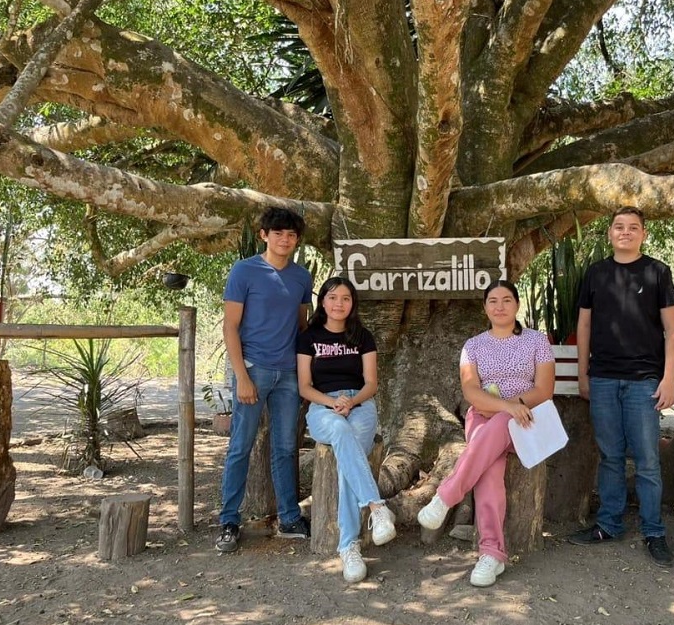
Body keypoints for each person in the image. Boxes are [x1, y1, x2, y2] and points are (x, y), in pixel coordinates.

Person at [417, 280, 555, 587]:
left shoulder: (537, 341)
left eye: (507, 300)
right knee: (490, 469)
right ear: (485, 307)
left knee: (500, 425)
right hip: (484, 417)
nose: (500, 306)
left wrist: (512, 408)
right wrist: (505, 406)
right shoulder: (473, 346)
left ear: (517, 305)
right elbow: (470, 392)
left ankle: (446, 496)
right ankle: (491, 555)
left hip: (527, 419)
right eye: (493, 301)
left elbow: (544, 390)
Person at [569, 205, 674, 568]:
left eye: (633, 228)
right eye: (619, 227)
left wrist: (668, 379)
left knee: (648, 461)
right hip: (602, 379)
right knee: (610, 457)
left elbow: (673, 330)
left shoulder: (658, 272)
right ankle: (608, 524)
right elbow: (583, 326)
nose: (626, 232)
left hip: (644, 382)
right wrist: (583, 374)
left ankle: (654, 531)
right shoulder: (596, 273)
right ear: (610, 234)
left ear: (643, 234)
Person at [215, 206, 313, 553]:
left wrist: (307, 374)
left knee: (286, 448)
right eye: (279, 233)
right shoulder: (244, 271)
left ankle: (289, 518)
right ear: (264, 235)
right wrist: (241, 376)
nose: (285, 240)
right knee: (241, 446)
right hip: (253, 369)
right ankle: (229, 520)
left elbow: (301, 326)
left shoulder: (302, 278)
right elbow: (230, 326)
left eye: (291, 235)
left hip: (288, 373)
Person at [297, 276, 397, 583]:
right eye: (333, 297)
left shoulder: (362, 336)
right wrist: (332, 402)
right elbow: (304, 387)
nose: (339, 303)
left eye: (346, 298)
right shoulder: (308, 337)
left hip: (361, 405)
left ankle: (349, 546)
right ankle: (377, 507)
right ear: (323, 301)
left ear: (352, 304)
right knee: (340, 432)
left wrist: (351, 401)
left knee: (346, 457)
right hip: (322, 409)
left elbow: (371, 383)